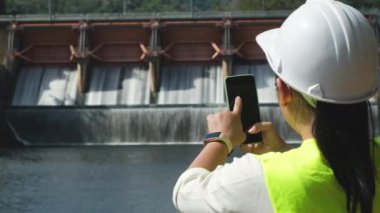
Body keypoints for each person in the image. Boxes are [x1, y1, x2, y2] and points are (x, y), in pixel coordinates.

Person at [172, 0, 380, 212]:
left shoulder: (264, 175)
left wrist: (220, 139)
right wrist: (285, 152)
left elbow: (185, 193)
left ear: (284, 91)